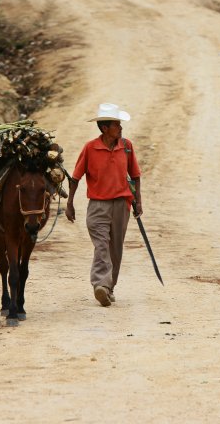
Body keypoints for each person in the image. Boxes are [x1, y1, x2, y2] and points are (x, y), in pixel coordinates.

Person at [65, 103, 142, 307]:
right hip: (98, 206)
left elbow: (135, 175)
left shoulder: (126, 146)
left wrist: (138, 201)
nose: (121, 128)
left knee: (115, 248)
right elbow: (75, 177)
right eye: (116, 124)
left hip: (121, 205)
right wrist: (70, 203)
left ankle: (109, 288)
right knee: (102, 246)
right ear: (104, 128)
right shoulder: (90, 148)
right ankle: (100, 284)